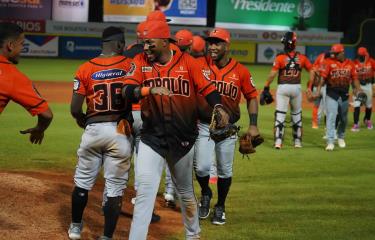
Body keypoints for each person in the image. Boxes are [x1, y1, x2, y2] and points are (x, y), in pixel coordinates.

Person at [122, 20, 229, 240]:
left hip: (183, 141)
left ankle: (193, 235)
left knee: (186, 194)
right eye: (143, 43)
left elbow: (209, 90)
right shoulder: (140, 61)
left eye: (149, 43)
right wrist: (148, 89)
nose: (145, 48)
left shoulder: (188, 62)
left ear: (164, 41)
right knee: (144, 195)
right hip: (152, 139)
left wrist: (218, 106)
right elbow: (126, 90)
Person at [67, 26, 134, 240]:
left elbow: (75, 109)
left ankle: (76, 228)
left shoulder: (85, 68)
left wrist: (82, 121)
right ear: (121, 44)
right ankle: (107, 237)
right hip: (120, 132)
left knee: (83, 182)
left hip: (93, 130)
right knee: (114, 188)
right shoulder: (130, 65)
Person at [193, 28, 260, 225]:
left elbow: (251, 97)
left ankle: (220, 206)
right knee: (202, 167)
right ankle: (206, 192)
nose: (212, 46)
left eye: (217, 43)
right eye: (210, 42)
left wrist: (254, 125)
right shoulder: (199, 65)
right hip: (204, 125)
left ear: (227, 45)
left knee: (224, 171)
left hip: (228, 129)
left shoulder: (241, 71)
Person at [0, 22, 53, 144]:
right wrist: (40, 129)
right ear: (10, 45)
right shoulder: (12, 76)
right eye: (21, 44)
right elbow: (47, 114)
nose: (22, 48)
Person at [262, 31, 314, 149]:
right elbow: (312, 71)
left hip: (283, 88)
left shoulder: (280, 57)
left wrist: (266, 86)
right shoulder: (302, 58)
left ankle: (278, 142)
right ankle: (297, 142)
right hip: (296, 88)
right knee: (296, 115)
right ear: (294, 43)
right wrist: (310, 86)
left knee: (280, 115)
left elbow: (272, 75)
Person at [315, 44, 362, 151]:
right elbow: (323, 78)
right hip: (331, 94)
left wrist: (358, 90)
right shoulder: (328, 63)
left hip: (344, 95)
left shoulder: (351, 64)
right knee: (331, 117)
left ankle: (341, 136)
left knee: (344, 119)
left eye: (336, 53)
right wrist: (318, 90)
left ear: (342, 53)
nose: (334, 55)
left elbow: (355, 79)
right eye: (333, 53)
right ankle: (330, 141)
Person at [351, 47, 375, 131]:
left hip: (368, 86)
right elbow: (352, 77)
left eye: (362, 55)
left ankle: (368, 120)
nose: (360, 56)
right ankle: (356, 124)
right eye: (359, 55)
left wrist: (373, 85)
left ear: (365, 54)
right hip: (358, 86)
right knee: (357, 104)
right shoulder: (354, 63)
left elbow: (373, 73)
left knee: (369, 105)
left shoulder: (371, 61)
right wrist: (354, 88)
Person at [307, 52, 330, 129]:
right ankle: (326, 125)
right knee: (326, 106)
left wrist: (310, 88)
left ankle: (315, 124)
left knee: (316, 106)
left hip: (317, 87)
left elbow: (311, 77)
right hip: (324, 87)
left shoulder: (317, 64)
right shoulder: (329, 64)